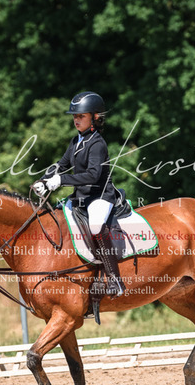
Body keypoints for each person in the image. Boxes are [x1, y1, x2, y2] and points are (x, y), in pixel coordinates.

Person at [33, 91, 126, 297]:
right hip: (81, 197)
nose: (76, 120)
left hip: (100, 196)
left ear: (95, 117)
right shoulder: (76, 141)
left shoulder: (97, 144)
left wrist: (61, 181)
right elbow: (61, 164)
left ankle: (114, 279)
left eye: (81, 116)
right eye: (75, 116)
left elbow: (93, 175)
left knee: (96, 226)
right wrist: (43, 181)